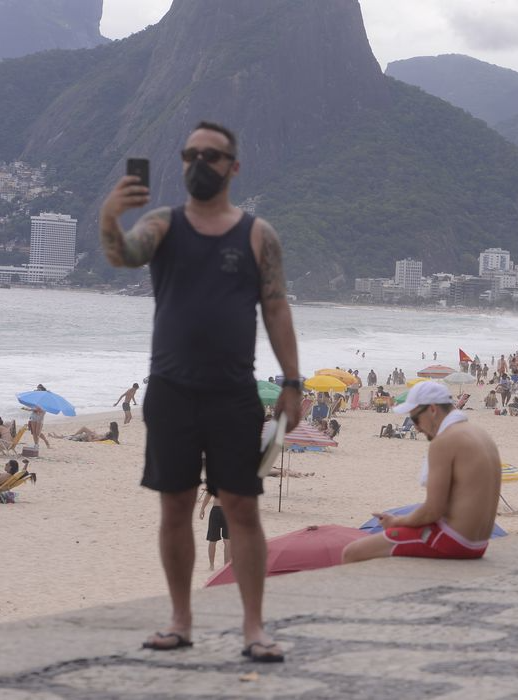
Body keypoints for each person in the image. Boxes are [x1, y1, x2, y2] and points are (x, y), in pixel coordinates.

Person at [99, 121, 301, 662]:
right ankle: (181, 620)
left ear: (233, 166)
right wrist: (109, 216)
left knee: (242, 507)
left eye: (211, 155)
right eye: (190, 153)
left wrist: (293, 383)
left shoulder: (259, 235)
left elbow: (277, 307)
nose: (199, 163)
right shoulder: (163, 224)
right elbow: (123, 256)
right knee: (175, 507)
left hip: (234, 393)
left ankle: (254, 627)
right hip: (171, 391)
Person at [342, 381, 501, 563]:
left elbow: (433, 511)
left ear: (432, 409)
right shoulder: (480, 434)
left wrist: (395, 522)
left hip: (453, 541)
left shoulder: (444, 441)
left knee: (352, 552)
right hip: (479, 544)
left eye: (415, 419)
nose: (416, 427)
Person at [199, 489, 230, 570]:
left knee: (212, 540)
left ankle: (211, 565)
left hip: (216, 510)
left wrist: (202, 508)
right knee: (227, 541)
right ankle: (226, 567)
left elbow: (209, 494)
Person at [51, 422, 120, 443]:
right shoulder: (115, 433)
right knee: (84, 429)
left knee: (83, 429)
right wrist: (95, 434)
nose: (108, 426)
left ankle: (60, 436)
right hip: (95, 436)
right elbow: (115, 440)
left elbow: (100, 439)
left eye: (110, 426)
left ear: (112, 427)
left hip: (93, 438)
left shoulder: (110, 434)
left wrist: (91, 438)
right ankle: (60, 436)